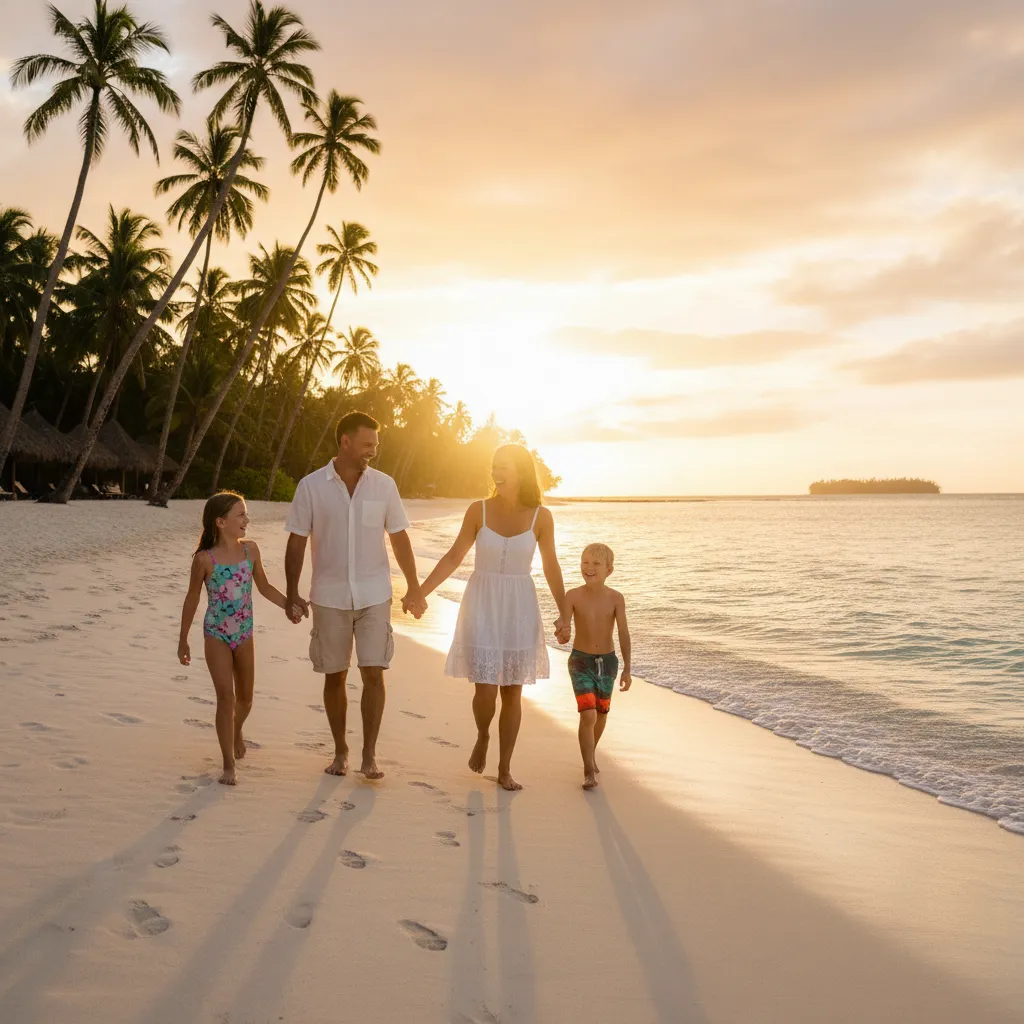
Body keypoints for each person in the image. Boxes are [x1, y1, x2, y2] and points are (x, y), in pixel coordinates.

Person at [284, 411, 427, 780]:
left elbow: (399, 537)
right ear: (345, 442)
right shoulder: (311, 486)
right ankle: (341, 750)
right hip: (329, 597)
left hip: (375, 594)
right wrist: (291, 592)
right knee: (334, 675)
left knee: (374, 673)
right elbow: (297, 540)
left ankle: (369, 754)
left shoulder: (384, 486)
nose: (372, 452)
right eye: (367, 444)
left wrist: (413, 587)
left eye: (375, 445)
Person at [420, 443, 567, 791]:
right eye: (493, 465)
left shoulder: (541, 517)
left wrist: (565, 612)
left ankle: (504, 768)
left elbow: (550, 566)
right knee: (485, 690)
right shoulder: (478, 511)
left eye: (503, 466)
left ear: (520, 471)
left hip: (519, 606)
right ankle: (483, 733)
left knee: (513, 692)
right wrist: (420, 592)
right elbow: (455, 555)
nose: (495, 472)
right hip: (482, 603)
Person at [178, 492, 302, 786]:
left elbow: (265, 587)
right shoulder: (204, 559)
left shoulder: (251, 551)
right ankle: (228, 765)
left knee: (245, 700)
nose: (247, 520)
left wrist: (290, 604)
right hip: (216, 633)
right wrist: (183, 639)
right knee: (226, 698)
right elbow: (192, 598)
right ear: (221, 522)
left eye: (246, 514)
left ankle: (237, 729)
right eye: (241, 515)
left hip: (244, 633)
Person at [561, 542, 631, 790]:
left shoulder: (616, 598)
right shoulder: (573, 595)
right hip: (580, 661)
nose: (588, 568)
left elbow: (623, 632)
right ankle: (588, 769)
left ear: (609, 570)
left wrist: (627, 668)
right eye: (585, 562)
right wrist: (562, 631)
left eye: (595, 564)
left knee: (601, 715)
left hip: (608, 663)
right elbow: (563, 626)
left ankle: (590, 753)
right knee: (588, 714)